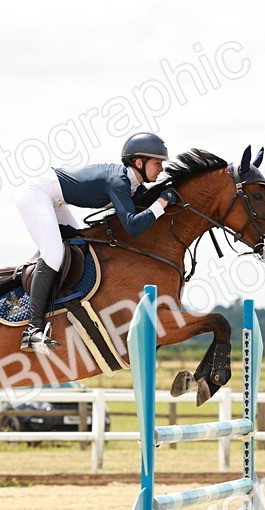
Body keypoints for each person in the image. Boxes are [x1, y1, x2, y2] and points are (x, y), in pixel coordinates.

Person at [14, 132, 173, 353]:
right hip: (37, 194)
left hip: (57, 201)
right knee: (54, 254)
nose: (161, 169)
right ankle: (32, 330)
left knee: (78, 244)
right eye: (157, 163)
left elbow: (148, 211)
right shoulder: (119, 181)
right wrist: (162, 203)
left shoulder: (134, 185)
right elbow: (133, 226)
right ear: (139, 162)